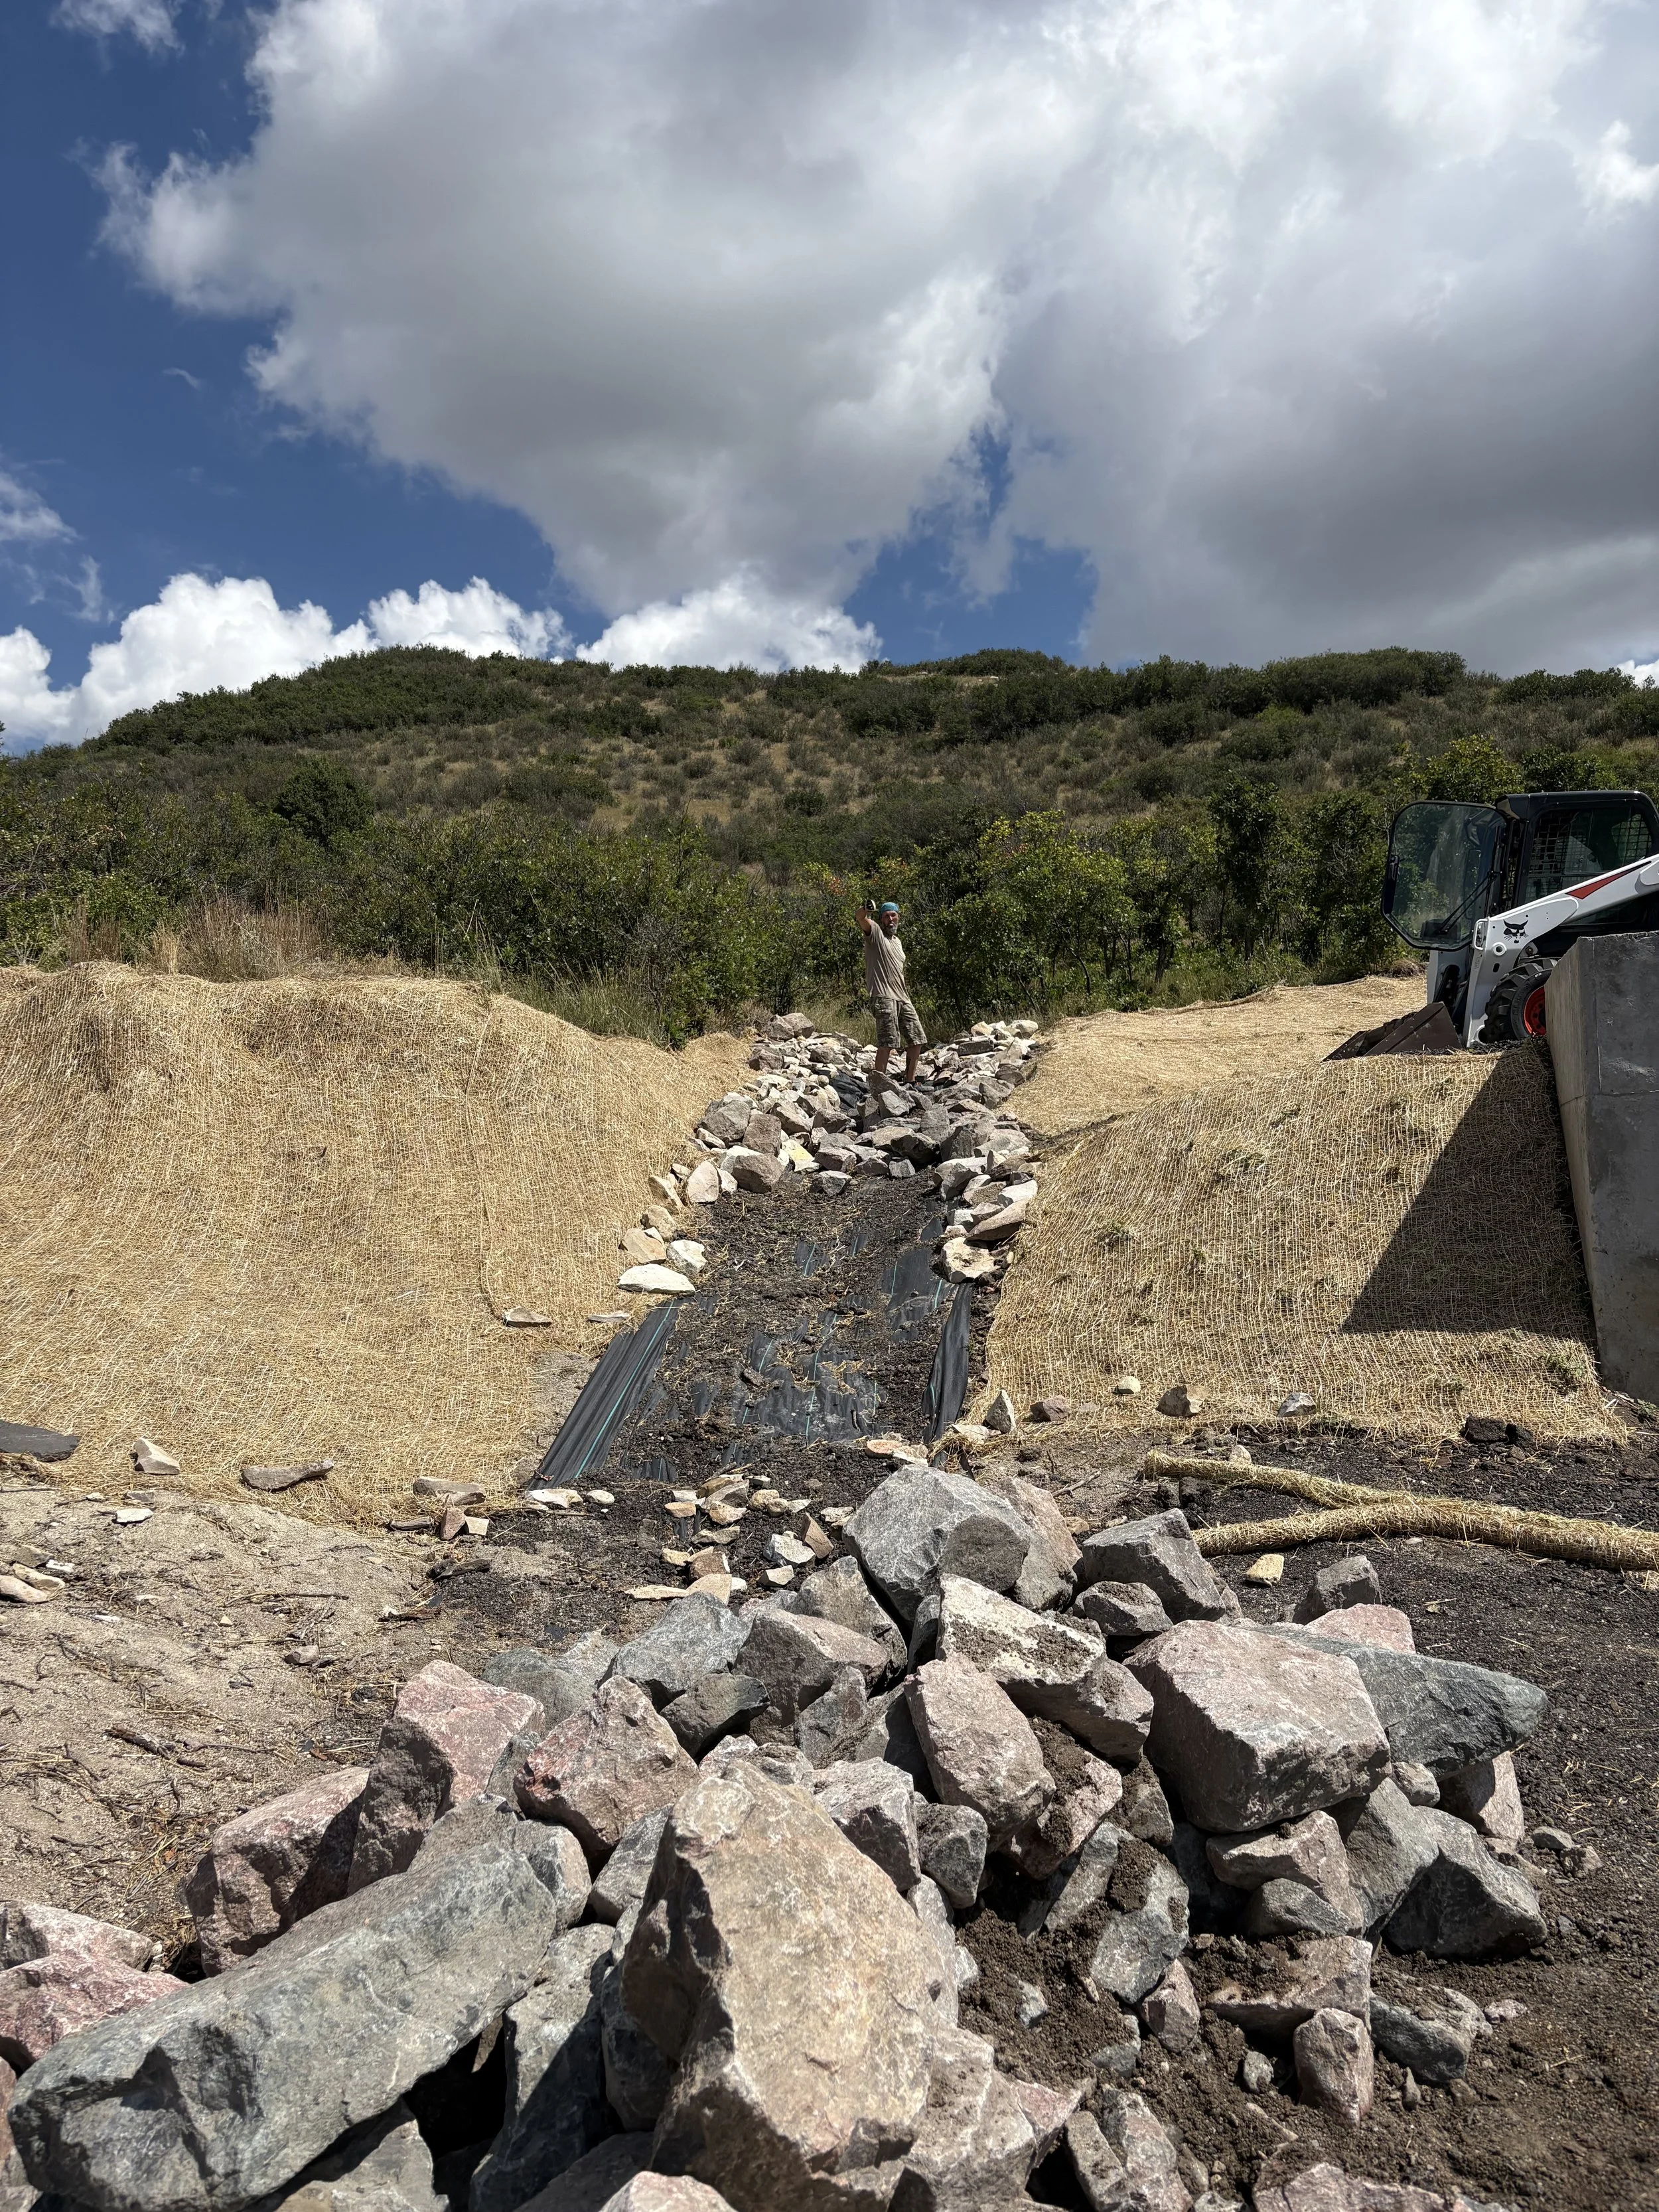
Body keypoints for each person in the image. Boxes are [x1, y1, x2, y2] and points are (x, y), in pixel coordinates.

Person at [858, 897, 926, 1088]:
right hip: (883, 995)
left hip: (903, 997)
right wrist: (866, 909)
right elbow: (861, 919)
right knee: (888, 1041)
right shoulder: (876, 934)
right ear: (881, 919)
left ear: (898, 918)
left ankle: (910, 1081)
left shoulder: (898, 942)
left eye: (893, 915)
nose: (890, 919)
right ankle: (878, 1085)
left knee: (917, 1038)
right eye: (886, 916)